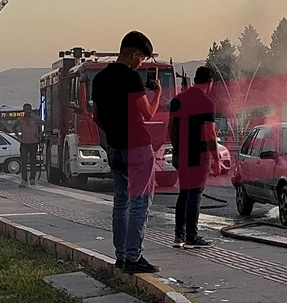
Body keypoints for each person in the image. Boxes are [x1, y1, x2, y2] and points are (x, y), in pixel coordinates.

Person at [92, 31, 163, 274]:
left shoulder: (100, 78)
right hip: (138, 146)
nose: (141, 64)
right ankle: (134, 257)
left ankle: (121, 256)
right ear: (133, 54)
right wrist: (158, 93)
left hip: (114, 147)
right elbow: (148, 113)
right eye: (141, 58)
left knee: (121, 202)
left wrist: (114, 131)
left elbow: (96, 117)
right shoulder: (131, 78)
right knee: (140, 202)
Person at [168, 66, 220, 249]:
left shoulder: (177, 100)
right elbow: (209, 134)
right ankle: (192, 236)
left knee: (183, 193)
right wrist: (216, 159)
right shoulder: (207, 103)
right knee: (195, 194)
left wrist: (177, 147)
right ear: (210, 82)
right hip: (199, 154)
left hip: (180, 153)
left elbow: (170, 127)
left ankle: (178, 236)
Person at [12, 103, 46, 187]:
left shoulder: (35, 118)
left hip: (34, 142)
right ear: (23, 110)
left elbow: (45, 124)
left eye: (30, 109)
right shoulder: (20, 120)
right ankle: (24, 179)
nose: (28, 111)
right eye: (27, 109)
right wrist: (18, 135)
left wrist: (40, 134)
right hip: (24, 143)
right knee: (24, 162)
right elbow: (14, 127)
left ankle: (32, 178)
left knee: (32, 162)